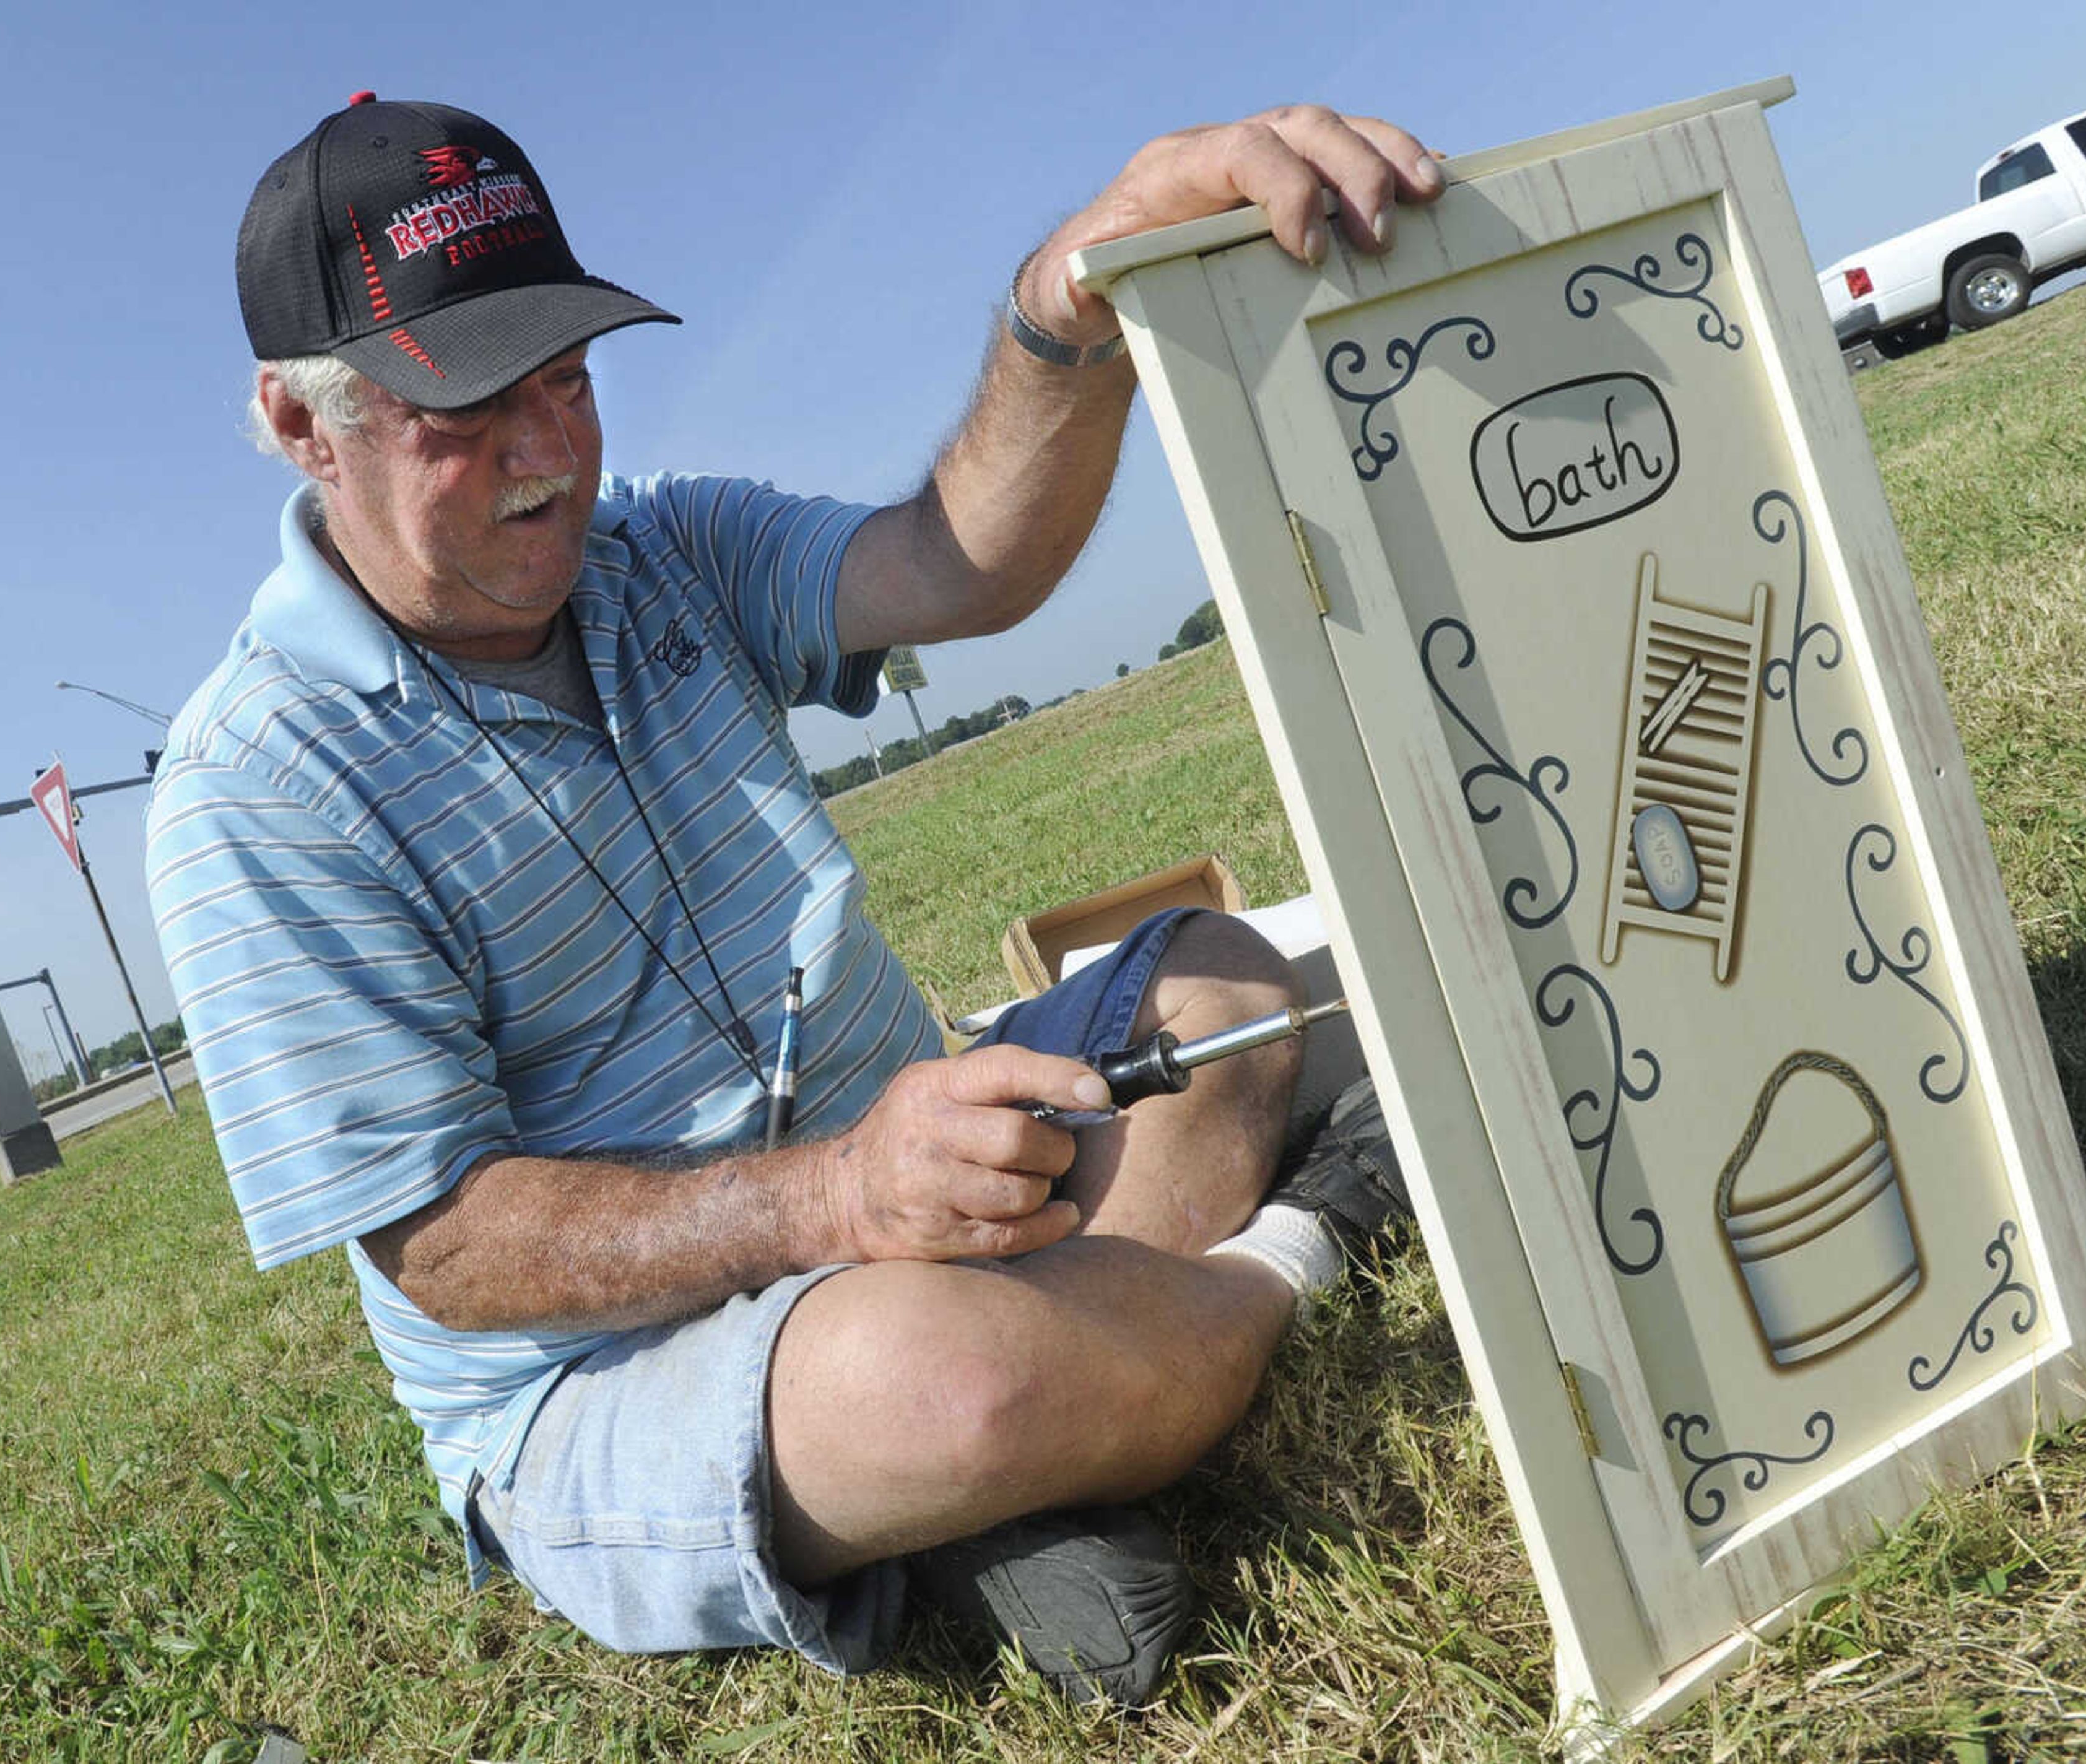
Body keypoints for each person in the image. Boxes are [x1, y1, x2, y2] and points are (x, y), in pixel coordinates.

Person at [149, 90, 1441, 1706]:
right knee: (937, 1381)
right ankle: (1292, 1249)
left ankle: (1029, 1459)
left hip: (903, 1191)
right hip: (616, 1372)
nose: (551, 452)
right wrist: (838, 1203)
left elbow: (960, 562)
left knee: (1224, 991)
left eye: (566, 374)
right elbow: (449, 1246)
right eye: (468, 405)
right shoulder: (257, 784)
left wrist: (1072, 299)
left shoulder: (667, 550)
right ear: (297, 421)